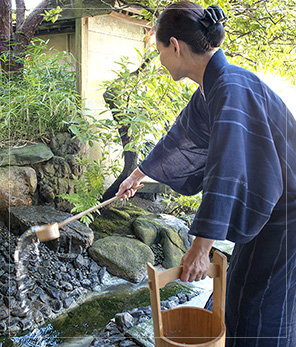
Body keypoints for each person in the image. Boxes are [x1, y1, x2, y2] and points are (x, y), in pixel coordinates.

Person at [116, 2, 296, 346]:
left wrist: (201, 247)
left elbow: (227, 170)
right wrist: (138, 175)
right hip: (273, 205)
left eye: (159, 51)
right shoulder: (216, 84)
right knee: (241, 290)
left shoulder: (229, 88)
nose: (161, 59)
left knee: (262, 303)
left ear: (176, 46)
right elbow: (182, 136)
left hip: (288, 212)